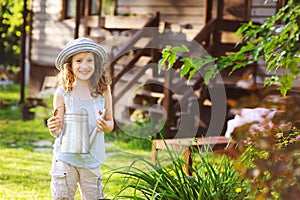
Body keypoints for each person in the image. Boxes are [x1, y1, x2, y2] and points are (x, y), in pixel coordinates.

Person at [47, 37, 114, 200]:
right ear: (69, 65)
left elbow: (111, 123)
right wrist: (53, 127)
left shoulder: (103, 90)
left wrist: (105, 125)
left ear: (96, 64)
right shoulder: (62, 92)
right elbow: (57, 131)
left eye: (89, 60)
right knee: (62, 197)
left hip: (91, 159)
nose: (84, 66)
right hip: (65, 159)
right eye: (78, 60)